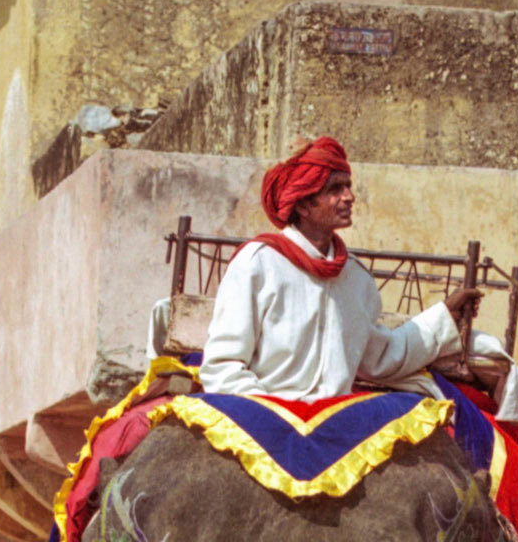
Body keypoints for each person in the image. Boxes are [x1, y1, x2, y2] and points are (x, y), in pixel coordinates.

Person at [198, 136, 484, 402]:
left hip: (336, 418)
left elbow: (380, 357)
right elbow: (223, 366)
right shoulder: (257, 264)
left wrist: (445, 313)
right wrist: (267, 415)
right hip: (265, 412)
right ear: (304, 205)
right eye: (335, 189)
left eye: (348, 186)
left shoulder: (356, 278)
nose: (349, 197)